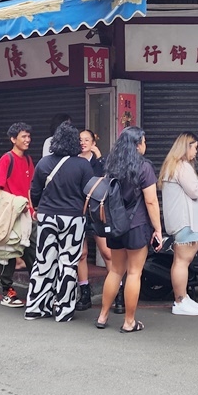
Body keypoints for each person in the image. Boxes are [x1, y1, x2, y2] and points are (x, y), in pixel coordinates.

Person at [95, 126, 163, 333]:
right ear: (137, 144)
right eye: (144, 141)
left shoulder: (112, 165)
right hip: (136, 226)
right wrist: (158, 230)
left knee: (115, 271)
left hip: (116, 225)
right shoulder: (144, 167)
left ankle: (102, 316)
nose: (146, 145)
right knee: (134, 273)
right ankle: (129, 322)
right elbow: (151, 202)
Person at [25, 121, 95, 321]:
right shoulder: (82, 164)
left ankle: (36, 307)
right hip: (72, 218)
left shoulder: (44, 163)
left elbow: (35, 191)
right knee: (68, 263)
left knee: (43, 262)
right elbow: (89, 193)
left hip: (47, 216)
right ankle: (63, 310)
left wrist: (38, 208)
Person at [158, 132, 198, 316]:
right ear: (186, 146)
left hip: (180, 221)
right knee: (182, 262)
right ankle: (180, 301)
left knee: (182, 261)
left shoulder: (173, 166)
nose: (195, 152)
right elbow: (195, 191)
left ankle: (183, 298)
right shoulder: (182, 166)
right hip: (185, 221)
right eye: (194, 147)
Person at [0, 122, 35, 307]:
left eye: (28, 136)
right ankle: (7, 291)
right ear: (13, 139)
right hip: (10, 214)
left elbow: (31, 189)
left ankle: (37, 289)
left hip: (27, 215)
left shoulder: (28, 160)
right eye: (23, 137)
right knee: (7, 253)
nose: (27, 140)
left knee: (32, 251)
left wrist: (33, 210)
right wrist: (16, 201)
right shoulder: (6, 159)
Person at [75, 128, 110, 312]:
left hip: (98, 213)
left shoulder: (99, 162)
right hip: (78, 212)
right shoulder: (72, 161)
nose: (83, 142)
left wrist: (100, 158)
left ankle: (117, 292)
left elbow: (108, 183)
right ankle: (84, 291)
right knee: (81, 254)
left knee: (108, 253)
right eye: (80, 139)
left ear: (93, 143)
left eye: (87, 139)